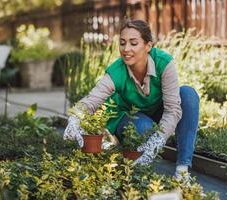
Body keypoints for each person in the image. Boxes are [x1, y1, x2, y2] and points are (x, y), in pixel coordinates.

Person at [64, 19, 199, 180]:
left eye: (133, 43)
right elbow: (91, 100)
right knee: (143, 127)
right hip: (129, 116)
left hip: (158, 111)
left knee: (188, 95)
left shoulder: (164, 63)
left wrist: (157, 141)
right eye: (122, 43)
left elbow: (173, 110)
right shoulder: (117, 70)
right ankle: (124, 149)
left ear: (148, 46)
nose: (126, 49)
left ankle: (182, 171)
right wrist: (74, 118)